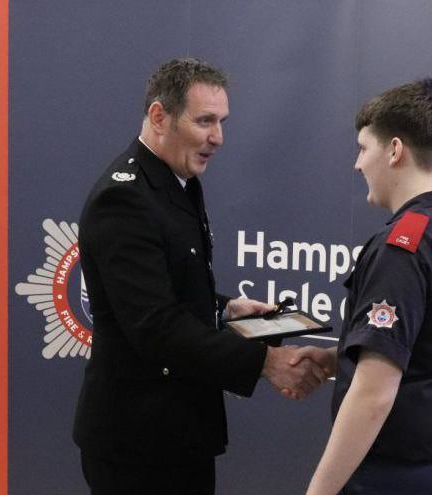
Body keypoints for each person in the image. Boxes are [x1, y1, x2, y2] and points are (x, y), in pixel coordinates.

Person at [73, 58, 326, 495]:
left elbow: (169, 283)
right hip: (137, 444)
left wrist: (225, 307)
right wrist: (266, 363)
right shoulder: (124, 198)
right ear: (159, 116)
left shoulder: (179, 178)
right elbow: (154, 327)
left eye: (222, 121)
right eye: (205, 121)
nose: (218, 137)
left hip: (181, 431)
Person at [294, 79, 432, 495]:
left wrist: (319, 491)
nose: (358, 164)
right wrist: (340, 357)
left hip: (394, 477)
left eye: (363, 148)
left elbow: (374, 396)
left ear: (394, 150)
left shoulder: (404, 248)